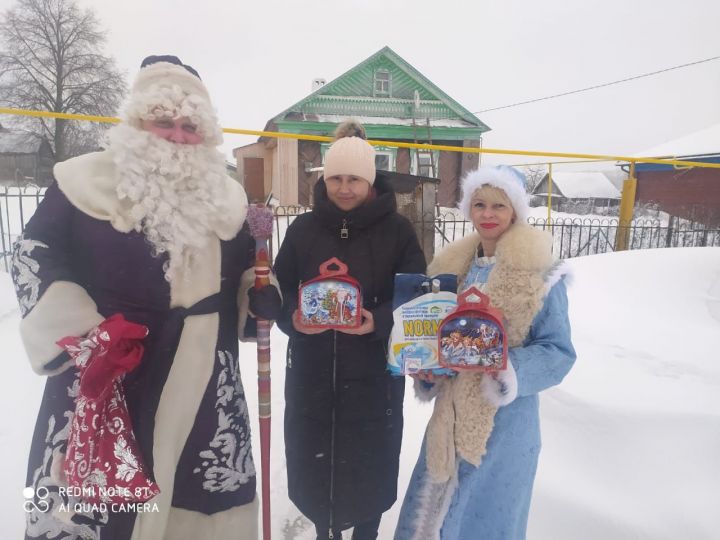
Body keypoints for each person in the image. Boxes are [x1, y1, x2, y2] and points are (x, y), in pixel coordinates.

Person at [11, 55, 281, 540]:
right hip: (108, 370)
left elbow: (247, 269)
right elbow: (32, 254)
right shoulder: (80, 183)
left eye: (189, 126)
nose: (177, 136)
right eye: (163, 123)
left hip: (204, 381)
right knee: (94, 500)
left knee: (199, 500)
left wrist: (256, 298)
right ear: (136, 123)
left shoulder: (228, 198)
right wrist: (85, 333)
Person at [394, 165, 576, 540]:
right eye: (479, 204)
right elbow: (435, 340)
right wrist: (428, 371)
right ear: (468, 209)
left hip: (505, 427)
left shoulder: (540, 274)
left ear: (515, 211)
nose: (488, 214)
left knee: (484, 521)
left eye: (499, 205)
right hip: (449, 420)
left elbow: (558, 352)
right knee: (431, 518)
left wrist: (508, 370)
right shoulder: (450, 271)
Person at [274, 120, 426, 540]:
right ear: (324, 178)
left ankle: (366, 533)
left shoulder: (397, 232)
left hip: (373, 374)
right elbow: (279, 286)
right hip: (312, 373)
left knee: (370, 459)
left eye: (354, 179)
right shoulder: (303, 230)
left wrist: (378, 320)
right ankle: (324, 530)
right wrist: (292, 318)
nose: (344, 188)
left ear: (370, 181)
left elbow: (414, 297)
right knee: (314, 457)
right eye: (336, 178)